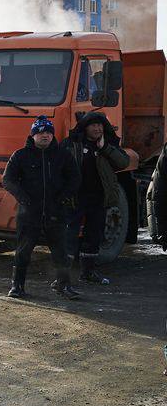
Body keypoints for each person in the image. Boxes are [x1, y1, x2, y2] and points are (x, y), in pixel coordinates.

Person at [1, 116, 82, 300]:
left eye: (48, 132)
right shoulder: (20, 155)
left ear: (52, 135)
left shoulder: (63, 155)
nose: (44, 136)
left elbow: (75, 178)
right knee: (23, 251)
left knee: (60, 251)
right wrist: (23, 198)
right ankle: (17, 286)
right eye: (40, 132)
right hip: (29, 213)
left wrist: (63, 198)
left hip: (56, 212)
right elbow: (7, 180)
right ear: (33, 135)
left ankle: (64, 285)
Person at [64, 112, 130, 283]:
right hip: (76, 197)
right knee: (69, 235)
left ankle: (88, 272)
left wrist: (105, 148)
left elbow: (124, 162)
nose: (97, 128)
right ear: (85, 127)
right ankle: (63, 276)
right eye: (93, 125)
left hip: (99, 197)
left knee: (94, 234)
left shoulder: (108, 145)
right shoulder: (72, 144)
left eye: (100, 125)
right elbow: (60, 166)